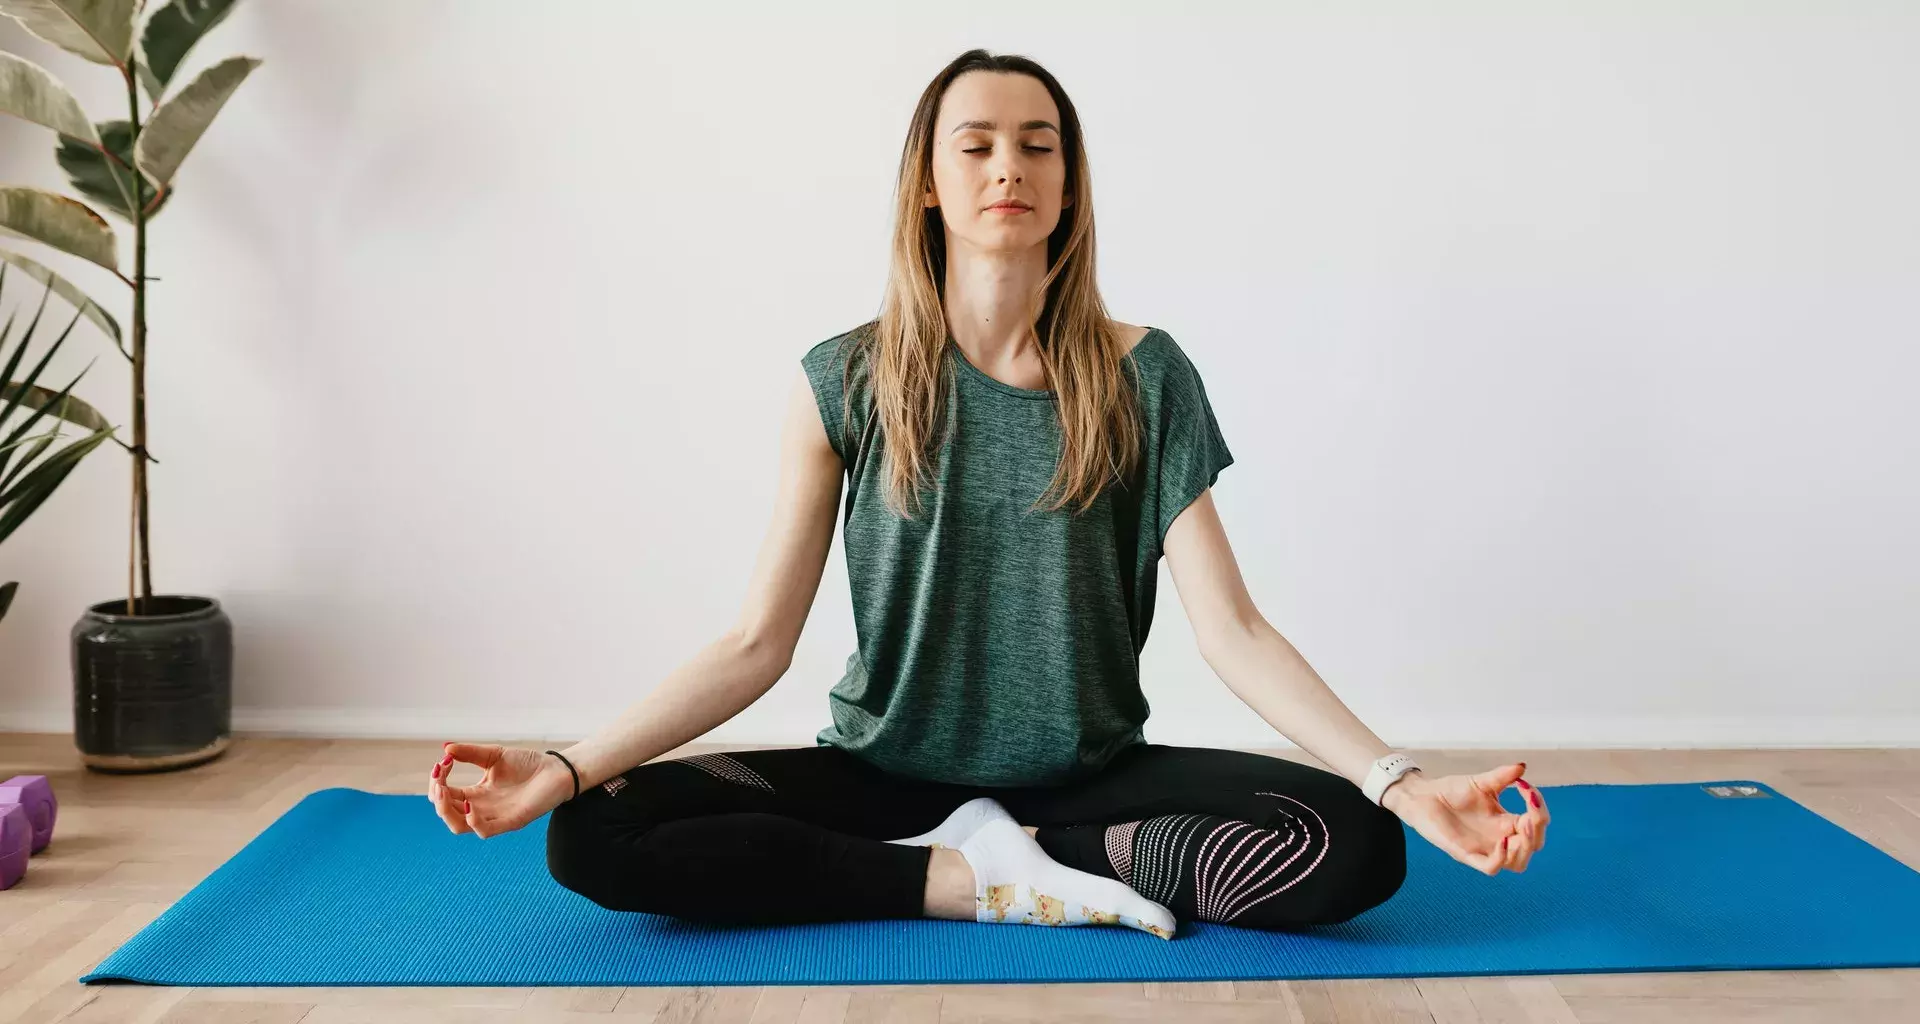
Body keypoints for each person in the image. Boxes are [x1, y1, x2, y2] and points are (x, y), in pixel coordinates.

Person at [426, 49, 1550, 938]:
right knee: (595, 830)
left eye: (1036, 145)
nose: (1007, 166)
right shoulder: (845, 379)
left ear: (1067, 183)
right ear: (931, 181)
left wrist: (1400, 781)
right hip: (882, 778)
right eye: (976, 145)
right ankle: (971, 881)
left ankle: (1046, 863)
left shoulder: (1144, 376)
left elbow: (1236, 630)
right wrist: (568, 761)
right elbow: (754, 642)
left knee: (1355, 845)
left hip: (1092, 782)